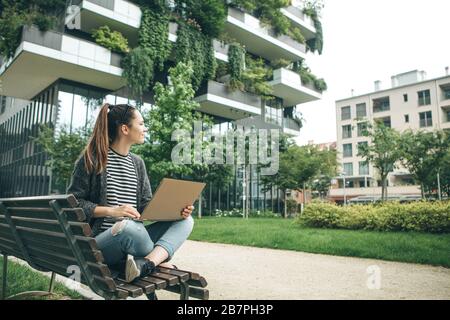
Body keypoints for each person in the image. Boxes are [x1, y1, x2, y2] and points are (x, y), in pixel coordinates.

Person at [67, 103, 195, 291]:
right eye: (141, 124)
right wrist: (111, 211)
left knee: (186, 221)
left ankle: (147, 264)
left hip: (135, 237)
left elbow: (144, 206)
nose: (146, 128)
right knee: (127, 227)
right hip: (102, 243)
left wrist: (174, 210)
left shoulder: (137, 163)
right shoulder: (92, 159)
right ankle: (155, 260)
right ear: (125, 129)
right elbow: (73, 203)